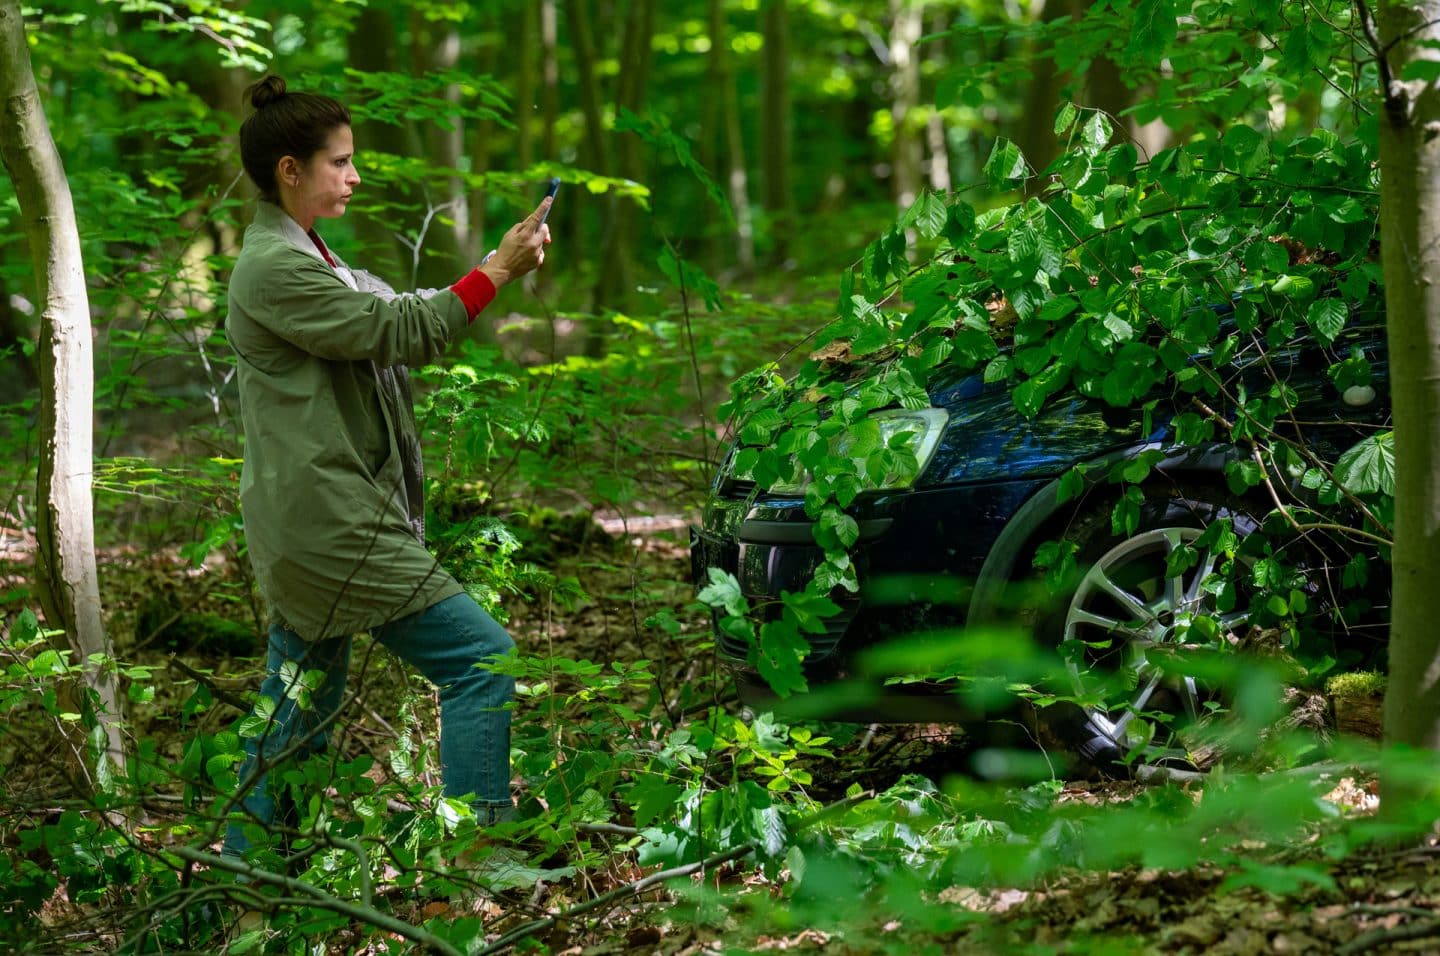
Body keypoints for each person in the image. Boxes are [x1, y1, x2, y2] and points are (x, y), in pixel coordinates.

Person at [221, 75, 549, 860]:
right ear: (290, 171)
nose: (355, 175)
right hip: (330, 522)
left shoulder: (310, 256)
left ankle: (245, 880)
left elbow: (393, 314)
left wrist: (488, 268)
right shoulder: (273, 267)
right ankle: (480, 857)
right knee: (481, 660)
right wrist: (498, 271)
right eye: (339, 162)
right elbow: (398, 330)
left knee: (297, 712)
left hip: (319, 517)